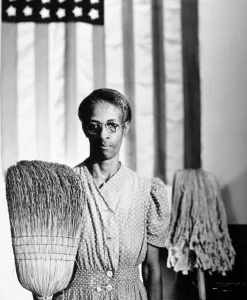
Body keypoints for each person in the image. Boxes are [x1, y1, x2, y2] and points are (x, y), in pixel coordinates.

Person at [55, 88, 170, 300]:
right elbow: (49, 265)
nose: (103, 135)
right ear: (85, 128)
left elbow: (152, 270)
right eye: (95, 126)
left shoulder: (144, 191)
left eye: (112, 126)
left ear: (125, 128)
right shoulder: (65, 187)